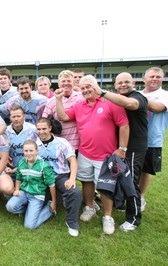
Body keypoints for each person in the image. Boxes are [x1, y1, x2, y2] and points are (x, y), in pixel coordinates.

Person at [55, 75, 130, 235]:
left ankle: (108, 217)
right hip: (85, 153)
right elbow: (63, 117)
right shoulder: (79, 105)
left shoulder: (110, 102)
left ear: (97, 86)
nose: (86, 90)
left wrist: (122, 148)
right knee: (86, 182)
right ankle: (89, 207)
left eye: (89, 86)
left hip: (105, 156)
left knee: (105, 187)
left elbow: (124, 125)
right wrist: (59, 99)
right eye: (82, 88)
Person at [93, 72, 148, 232]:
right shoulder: (116, 98)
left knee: (131, 183)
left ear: (134, 83)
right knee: (122, 181)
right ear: (115, 85)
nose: (123, 85)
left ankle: (134, 219)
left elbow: (130, 104)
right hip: (119, 147)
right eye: (119, 83)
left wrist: (102, 92)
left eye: (126, 82)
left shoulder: (137, 96)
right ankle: (122, 206)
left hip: (133, 148)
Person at [35, 117, 83, 237]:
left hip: (60, 176)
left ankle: (71, 222)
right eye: (39, 129)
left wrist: (72, 179)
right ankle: (55, 201)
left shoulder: (62, 142)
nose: (41, 132)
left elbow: (73, 160)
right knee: (37, 202)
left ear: (50, 128)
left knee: (74, 192)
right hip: (42, 178)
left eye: (44, 128)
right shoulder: (34, 144)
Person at [6, 140, 56, 230]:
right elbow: (18, 177)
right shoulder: (22, 162)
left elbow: (51, 185)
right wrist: (17, 189)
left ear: (37, 151)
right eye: (26, 151)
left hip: (37, 196)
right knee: (10, 207)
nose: (28, 153)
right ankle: (29, 212)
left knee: (29, 226)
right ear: (23, 151)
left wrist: (54, 202)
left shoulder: (44, 166)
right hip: (24, 192)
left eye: (31, 150)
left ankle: (49, 210)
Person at [139, 67, 168, 211]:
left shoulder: (164, 95)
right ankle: (130, 195)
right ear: (144, 79)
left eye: (158, 76)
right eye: (152, 76)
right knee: (132, 169)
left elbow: (157, 108)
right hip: (135, 139)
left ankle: (141, 197)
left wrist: (138, 99)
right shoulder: (137, 94)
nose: (155, 79)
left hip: (152, 140)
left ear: (162, 79)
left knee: (145, 170)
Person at [42, 70, 84, 152]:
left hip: (79, 146)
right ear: (58, 84)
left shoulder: (82, 97)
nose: (66, 83)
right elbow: (44, 122)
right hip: (59, 145)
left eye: (69, 81)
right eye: (63, 81)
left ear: (73, 83)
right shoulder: (51, 101)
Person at [4, 105, 38, 181]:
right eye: (13, 117)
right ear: (10, 117)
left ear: (24, 116)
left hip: (30, 169)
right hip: (10, 170)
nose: (16, 119)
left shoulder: (33, 130)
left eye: (18, 116)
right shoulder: (5, 132)